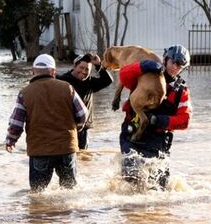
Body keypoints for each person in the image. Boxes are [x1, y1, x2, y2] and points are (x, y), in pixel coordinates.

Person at [5, 53, 88, 192]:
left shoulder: (25, 93)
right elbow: (83, 114)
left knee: (38, 195)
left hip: (40, 149)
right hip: (66, 148)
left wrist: (10, 141)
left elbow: (16, 124)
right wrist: (76, 129)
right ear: (53, 71)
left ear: (33, 71)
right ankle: (68, 214)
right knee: (70, 192)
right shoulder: (67, 88)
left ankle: (40, 214)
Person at [117, 45, 192, 189]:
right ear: (165, 60)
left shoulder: (181, 92)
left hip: (157, 141)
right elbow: (123, 76)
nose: (176, 68)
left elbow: (185, 120)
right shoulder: (145, 75)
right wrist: (142, 66)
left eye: (180, 66)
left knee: (158, 188)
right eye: (173, 63)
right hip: (132, 135)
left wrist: (158, 120)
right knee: (130, 182)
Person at [56, 52, 114, 150]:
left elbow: (108, 80)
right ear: (74, 66)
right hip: (66, 127)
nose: (83, 71)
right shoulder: (62, 80)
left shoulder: (90, 83)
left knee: (83, 156)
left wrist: (98, 65)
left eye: (87, 69)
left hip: (83, 128)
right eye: (81, 67)